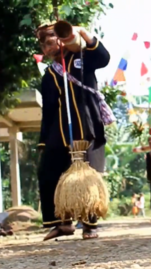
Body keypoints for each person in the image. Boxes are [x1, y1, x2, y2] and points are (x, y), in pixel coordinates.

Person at [35, 22, 111, 240]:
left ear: (61, 39)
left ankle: (89, 226)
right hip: (59, 134)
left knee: (88, 177)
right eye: (43, 46)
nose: (47, 49)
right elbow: (48, 111)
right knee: (49, 172)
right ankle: (62, 222)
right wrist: (43, 142)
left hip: (88, 130)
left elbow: (103, 58)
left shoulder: (82, 59)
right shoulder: (49, 74)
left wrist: (82, 33)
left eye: (50, 42)